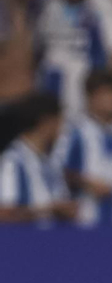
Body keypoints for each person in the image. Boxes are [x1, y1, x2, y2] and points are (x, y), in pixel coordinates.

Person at [54, 67, 112, 226]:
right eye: (108, 93)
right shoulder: (75, 131)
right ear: (92, 97)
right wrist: (86, 183)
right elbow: (58, 169)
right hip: (85, 221)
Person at [0, 90, 71, 224]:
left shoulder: (51, 161)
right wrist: (48, 210)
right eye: (60, 122)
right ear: (47, 122)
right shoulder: (12, 160)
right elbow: (4, 214)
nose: (62, 129)